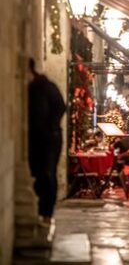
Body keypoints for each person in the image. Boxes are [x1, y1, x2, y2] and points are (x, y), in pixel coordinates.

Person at [27, 58, 66, 225]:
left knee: (47, 173)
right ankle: (43, 211)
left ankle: (46, 213)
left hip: (49, 139)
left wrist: (51, 127)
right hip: (44, 138)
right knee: (41, 173)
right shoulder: (40, 87)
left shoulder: (44, 87)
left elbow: (60, 107)